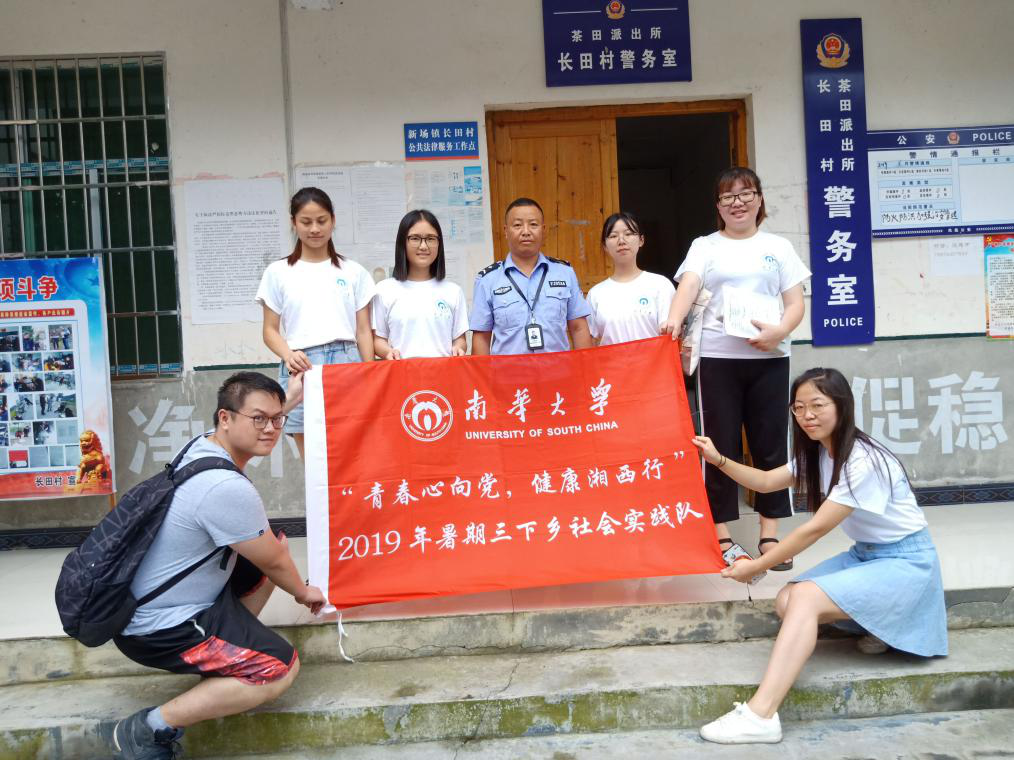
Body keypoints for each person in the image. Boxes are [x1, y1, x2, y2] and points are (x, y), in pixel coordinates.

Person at [692, 367, 947, 744]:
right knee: (786, 601)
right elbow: (766, 481)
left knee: (806, 599)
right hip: (866, 556)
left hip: (907, 564)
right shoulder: (818, 453)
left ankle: (761, 714)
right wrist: (718, 460)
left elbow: (814, 530)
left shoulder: (863, 460)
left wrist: (757, 567)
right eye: (798, 408)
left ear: (842, 406)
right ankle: (879, 624)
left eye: (817, 405)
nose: (807, 415)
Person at [107, 371, 327, 760]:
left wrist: (288, 400)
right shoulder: (224, 487)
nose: (270, 429)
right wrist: (303, 592)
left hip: (154, 603)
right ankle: (148, 729)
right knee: (277, 668)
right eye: (259, 419)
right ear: (225, 418)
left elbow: (270, 554)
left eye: (277, 420)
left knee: (267, 548)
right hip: (159, 627)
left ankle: (224, 658)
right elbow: (275, 561)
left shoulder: (202, 447)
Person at [663, 167, 810, 569]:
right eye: (728, 197)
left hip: (770, 358)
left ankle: (769, 534)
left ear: (760, 199)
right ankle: (722, 533)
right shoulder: (705, 246)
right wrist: (673, 320)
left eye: (746, 194)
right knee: (718, 445)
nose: (738, 203)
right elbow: (689, 285)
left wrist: (779, 331)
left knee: (770, 444)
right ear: (718, 206)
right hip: (717, 359)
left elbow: (795, 302)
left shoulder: (778, 247)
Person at [257, 187, 375, 457]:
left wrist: (369, 372)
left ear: (333, 220)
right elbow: (269, 330)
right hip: (301, 366)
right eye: (306, 222)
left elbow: (363, 330)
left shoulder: (354, 272)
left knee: (352, 453)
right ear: (293, 223)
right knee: (313, 461)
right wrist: (288, 355)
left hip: (347, 362)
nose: (314, 229)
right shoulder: (278, 272)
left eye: (321, 221)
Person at [470, 197, 592, 355]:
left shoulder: (565, 273)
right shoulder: (487, 280)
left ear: (543, 229)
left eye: (533, 224)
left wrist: (586, 367)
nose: (526, 231)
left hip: (557, 369)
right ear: (506, 231)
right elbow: (481, 338)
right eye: (517, 225)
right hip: (508, 371)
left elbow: (578, 328)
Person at [372, 210, 469, 359]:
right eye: (415, 238)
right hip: (401, 370)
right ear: (402, 243)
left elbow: (460, 339)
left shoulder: (453, 291)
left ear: (439, 243)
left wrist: (458, 348)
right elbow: (378, 339)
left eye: (430, 239)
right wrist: (387, 352)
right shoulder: (384, 290)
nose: (423, 246)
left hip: (444, 371)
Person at [587, 212, 675, 346]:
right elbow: (591, 340)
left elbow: (671, 335)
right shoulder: (595, 294)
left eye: (628, 234)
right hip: (612, 360)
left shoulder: (661, 285)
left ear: (641, 240)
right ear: (605, 245)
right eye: (613, 236)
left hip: (653, 359)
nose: (621, 241)